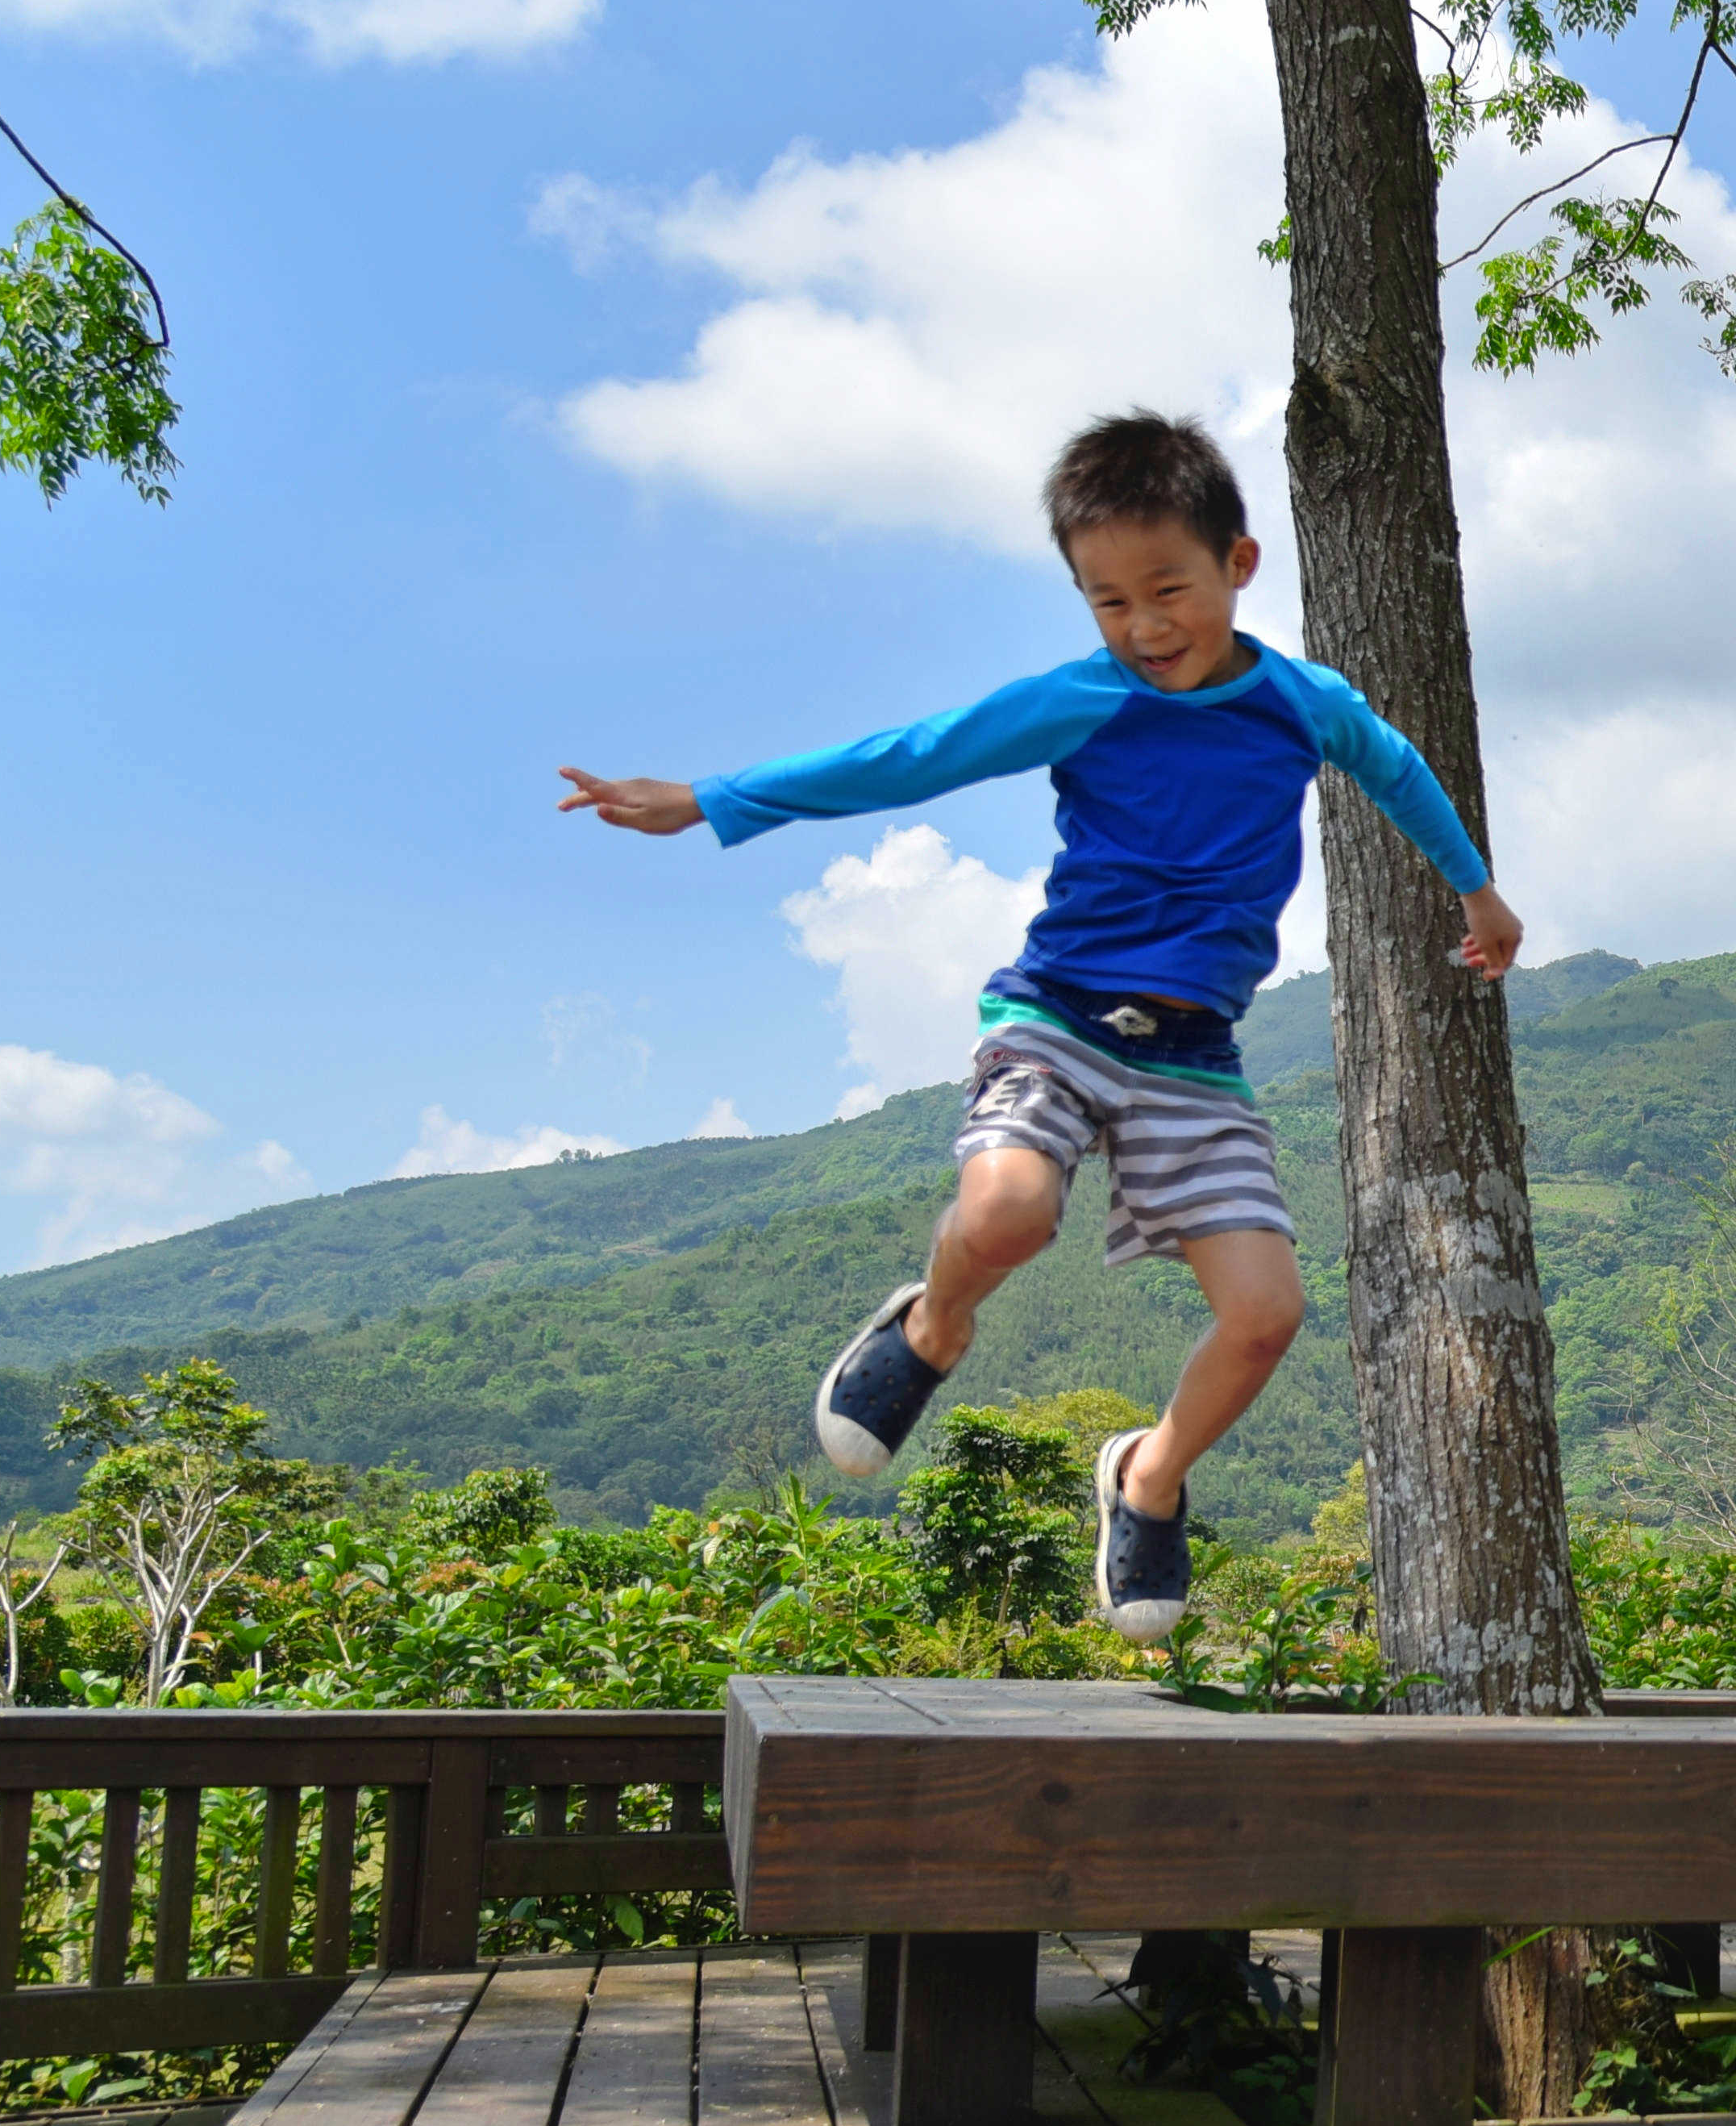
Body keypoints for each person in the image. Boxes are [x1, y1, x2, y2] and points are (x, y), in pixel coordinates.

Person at [557, 408, 1520, 1639]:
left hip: (1195, 1057)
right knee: (1011, 1211)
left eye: (1168, 588)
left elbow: (1396, 770)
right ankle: (931, 1325)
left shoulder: (1303, 703)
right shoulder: (1082, 700)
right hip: (1058, 1018)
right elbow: (913, 758)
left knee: (1267, 1314)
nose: (1144, 628)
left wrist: (1475, 886)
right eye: (1108, 603)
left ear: (1239, 564)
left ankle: (1146, 1475)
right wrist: (711, 799)